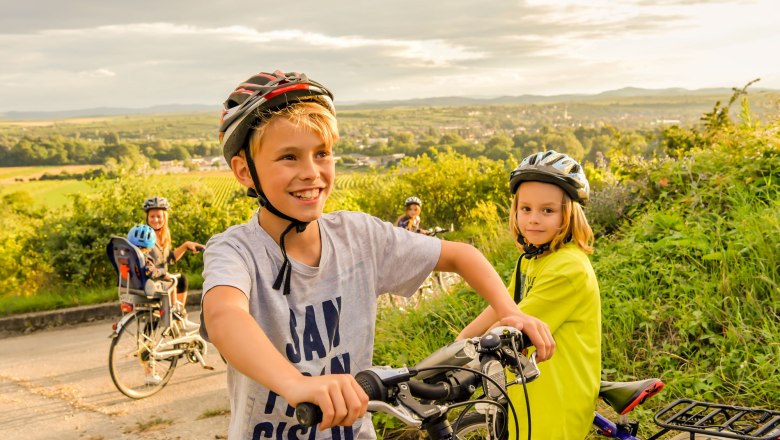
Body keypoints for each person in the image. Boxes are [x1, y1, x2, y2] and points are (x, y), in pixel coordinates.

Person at [200, 70, 556, 440]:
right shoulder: (236, 250)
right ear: (245, 171)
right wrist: (295, 384)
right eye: (289, 157)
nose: (311, 173)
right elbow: (225, 315)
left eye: (322, 154)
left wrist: (510, 312)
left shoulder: (359, 237)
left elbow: (462, 256)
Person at [457, 150, 601, 440]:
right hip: (529, 391)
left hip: (555, 399)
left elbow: (508, 328)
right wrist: (458, 343)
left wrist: (464, 357)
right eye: (526, 209)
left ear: (569, 213)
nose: (534, 219)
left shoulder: (567, 268)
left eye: (547, 211)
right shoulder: (533, 260)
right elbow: (503, 307)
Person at [143, 196, 203, 317]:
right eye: (152, 216)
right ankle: (178, 314)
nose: (155, 220)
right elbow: (145, 262)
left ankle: (178, 314)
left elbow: (170, 259)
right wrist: (163, 274)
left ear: (164, 217)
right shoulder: (145, 238)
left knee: (182, 279)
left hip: (158, 277)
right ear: (147, 218)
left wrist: (186, 245)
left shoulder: (162, 236)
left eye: (159, 216)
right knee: (180, 280)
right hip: (154, 279)